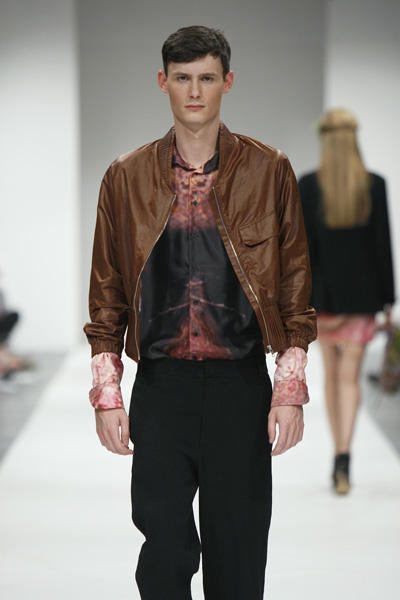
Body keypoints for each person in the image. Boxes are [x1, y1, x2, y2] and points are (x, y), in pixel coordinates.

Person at [84, 26, 317, 599]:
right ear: (162, 82)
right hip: (162, 387)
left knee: (238, 555)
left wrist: (288, 389)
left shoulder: (269, 170)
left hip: (240, 385)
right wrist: (108, 394)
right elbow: (107, 292)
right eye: (183, 78)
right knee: (163, 555)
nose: (195, 91)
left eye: (207, 78)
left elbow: (294, 285)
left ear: (227, 83)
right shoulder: (125, 176)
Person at [298, 108, 395, 495]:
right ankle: (344, 457)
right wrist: (387, 300)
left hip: (324, 302)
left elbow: (304, 251)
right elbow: (382, 246)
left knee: (332, 376)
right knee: (349, 378)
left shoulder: (309, 185)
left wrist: (308, 301)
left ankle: (336, 455)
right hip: (360, 300)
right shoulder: (374, 185)